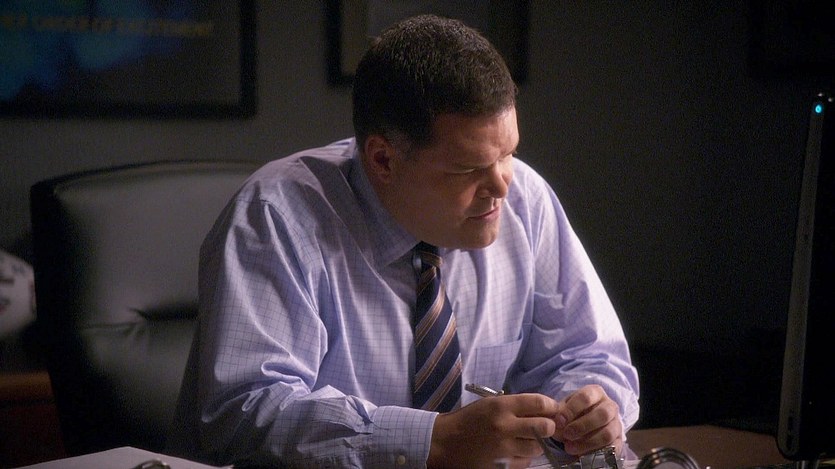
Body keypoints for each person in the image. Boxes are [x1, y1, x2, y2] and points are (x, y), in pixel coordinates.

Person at [168, 14, 639, 469]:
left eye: (508, 154)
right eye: (467, 169)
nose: (501, 185)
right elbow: (244, 411)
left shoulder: (525, 201)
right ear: (383, 160)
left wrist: (589, 410)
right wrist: (436, 440)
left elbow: (589, 355)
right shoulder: (277, 217)